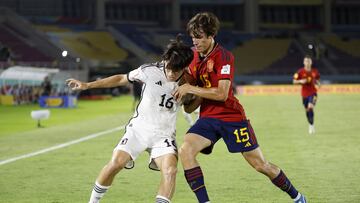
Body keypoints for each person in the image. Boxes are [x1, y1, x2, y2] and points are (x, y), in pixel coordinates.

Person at [173, 12, 307, 203]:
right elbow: (190, 107)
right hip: (208, 118)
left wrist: (190, 88)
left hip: (232, 118)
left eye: (199, 37)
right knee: (185, 150)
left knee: (260, 165)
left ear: (211, 36)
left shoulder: (224, 57)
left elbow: (221, 94)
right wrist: (185, 97)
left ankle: (297, 196)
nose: (195, 41)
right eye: (193, 36)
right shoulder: (193, 58)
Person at [66, 36, 194, 203]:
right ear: (166, 60)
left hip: (164, 135)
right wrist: (87, 85)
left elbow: (189, 107)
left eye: (176, 71)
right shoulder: (148, 70)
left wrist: (192, 93)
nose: (170, 73)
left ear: (184, 68)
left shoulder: (189, 81)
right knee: (115, 164)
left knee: (170, 171)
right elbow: (120, 78)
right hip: (139, 129)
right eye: (169, 68)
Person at [293, 55, 320, 134]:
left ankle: (312, 125)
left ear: (311, 62)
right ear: (303, 62)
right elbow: (294, 81)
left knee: (310, 106)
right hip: (304, 94)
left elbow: (317, 79)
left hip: (313, 93)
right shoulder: (300, 72)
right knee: (307, 110)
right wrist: (300, 81)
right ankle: (310, 124)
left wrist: (318, 83)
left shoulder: (315, 71)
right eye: (306, 61)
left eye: (309, 61)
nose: (307, 63)